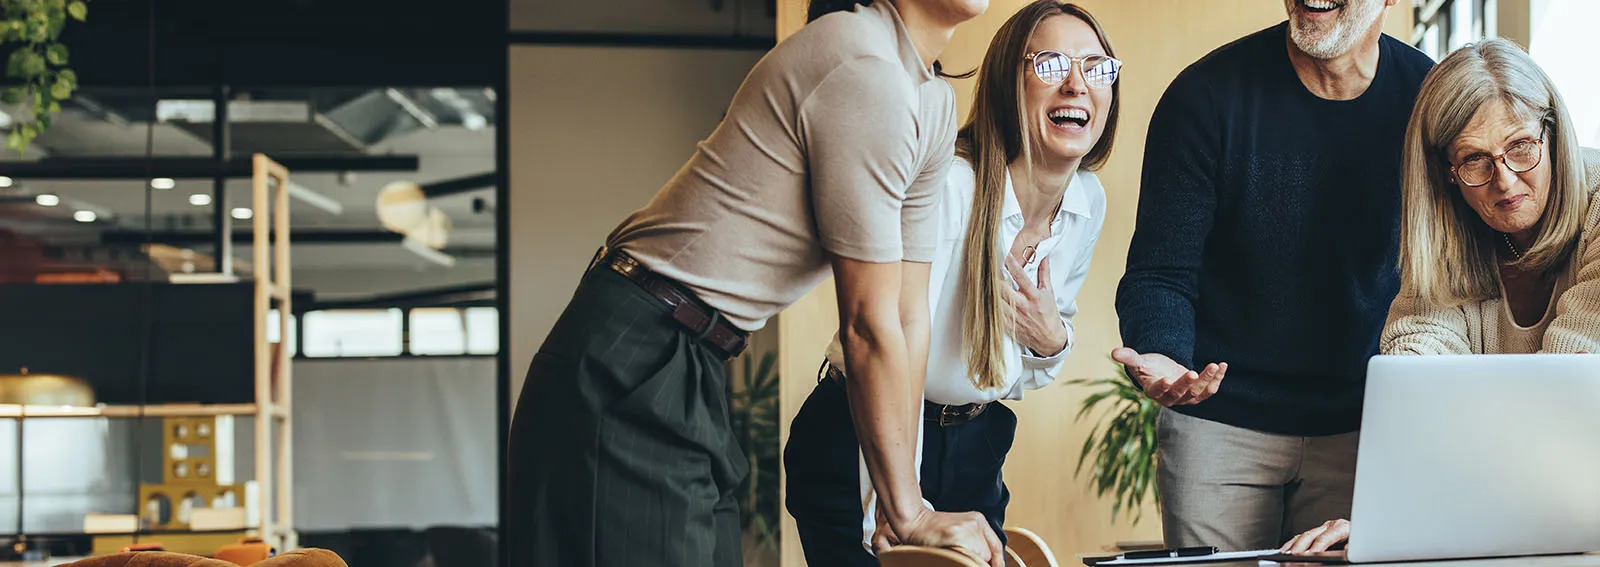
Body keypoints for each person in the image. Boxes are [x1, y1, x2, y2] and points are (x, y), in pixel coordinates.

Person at [504, 0, 1003, 565]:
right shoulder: (863, 64)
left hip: (691, 355)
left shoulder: (931, 102)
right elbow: (866, 325)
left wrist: (899, 500)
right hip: (632, 350)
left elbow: (908, 316)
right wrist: (909, 512)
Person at [784, 2, 1120, 564]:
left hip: (973, 443)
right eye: (1052, 65)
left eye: (1096, 67)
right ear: (1008, 83)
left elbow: (1028, 372)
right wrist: (892, 510)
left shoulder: (1087, 202)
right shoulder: (951, 189)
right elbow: (889, 350)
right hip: (867, 434)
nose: (1076, 85)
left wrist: (1050, 339)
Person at [1112, 0, 1435, 551]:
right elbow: (1161, 272)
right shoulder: (1204, 96)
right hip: (1219, 427)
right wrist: (1164, 351)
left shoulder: (1432, 98)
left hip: (1367, 428)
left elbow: (1460, 270)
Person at [1280, 37, 1600, 555]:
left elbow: (1568, 390)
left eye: (1521, 146)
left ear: (1554, 132)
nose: (1505, 180)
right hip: (1518, 511)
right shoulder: (1445, 239)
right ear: (1447, 174)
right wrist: (1386, 520)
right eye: (1475, 160)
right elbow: (1417, 384)